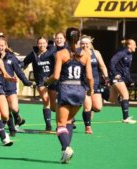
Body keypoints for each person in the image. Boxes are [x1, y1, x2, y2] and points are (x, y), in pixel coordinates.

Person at [45, 27, 94, 164]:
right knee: (69, 121)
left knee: (60, 124)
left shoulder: (61, 53)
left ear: (66, 38)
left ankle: (67, 147)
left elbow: (55, 76)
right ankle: (64, 153)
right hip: (79, 90)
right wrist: (90, 90)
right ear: (78, 39)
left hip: (66, 88)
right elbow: (90, 77)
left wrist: (46, 81)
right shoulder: (86, 54)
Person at [0, 38, 32, 136]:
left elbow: (19, 71)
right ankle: (12, 129)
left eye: (2, 45)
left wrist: (25, 81)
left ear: (6, 46)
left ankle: (17, 117)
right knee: (6, 110)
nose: (0, 47)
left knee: (14, 108)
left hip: (10, 86)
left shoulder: (11, 57)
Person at [23, 37, 56, 133]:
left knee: (53, 107)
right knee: (46, 100)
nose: (42, 45)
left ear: (46, 44)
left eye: (43, 43)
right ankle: (48, 126)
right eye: (40, 43)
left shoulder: (52, 53)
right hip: (41, 82)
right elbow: (24, 63)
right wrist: (20, 70)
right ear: (37, 44)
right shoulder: (33, 54)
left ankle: (67, 120)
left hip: (52, 81)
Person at [78, 35, 109, 134]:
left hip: (95, 83)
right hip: (82, 83)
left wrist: (106, 78)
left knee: (98, 107)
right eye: (83, 43)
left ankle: (90, 109)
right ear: (80, 44)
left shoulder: (96, 53)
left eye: (87, 43)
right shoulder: (77, 53)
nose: (85, 45)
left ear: (90, 44)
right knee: (87, 106)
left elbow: (102, 66)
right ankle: (88, 127)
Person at [108, 39, 137, 124]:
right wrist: (115, 73)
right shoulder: (122, 52)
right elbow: (112, 62)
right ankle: (126, 118)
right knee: (125, 95)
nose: (136, 46)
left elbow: (126, 69)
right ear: (129, 46)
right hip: (116, 77)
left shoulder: (130, 55)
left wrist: (130, 80)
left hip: (121, 78)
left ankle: (98, 91)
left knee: (111, 99)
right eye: (134, 44)